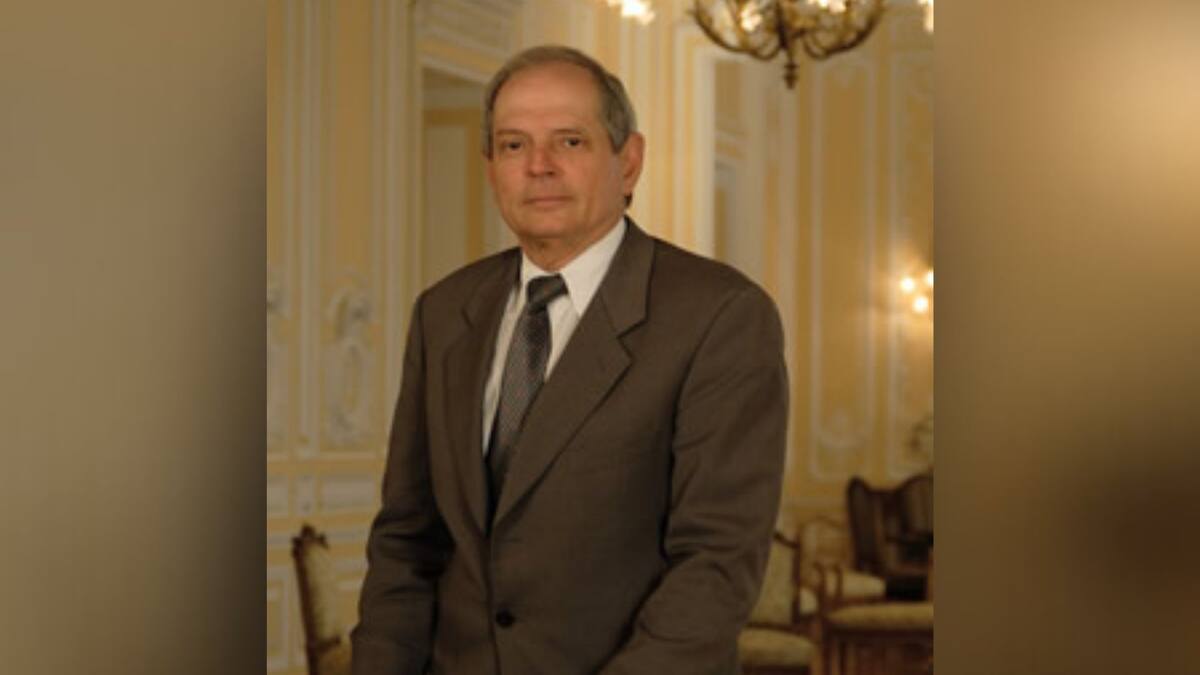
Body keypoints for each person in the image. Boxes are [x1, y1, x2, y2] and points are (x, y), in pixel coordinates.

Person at [351, 45, 788, 675]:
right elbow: (406, 541)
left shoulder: (720, 316)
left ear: (628, 161)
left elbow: (715, 564)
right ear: (491, 168)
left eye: (570, 142)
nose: (539, 166)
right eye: (513, 145)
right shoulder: (443, 313)